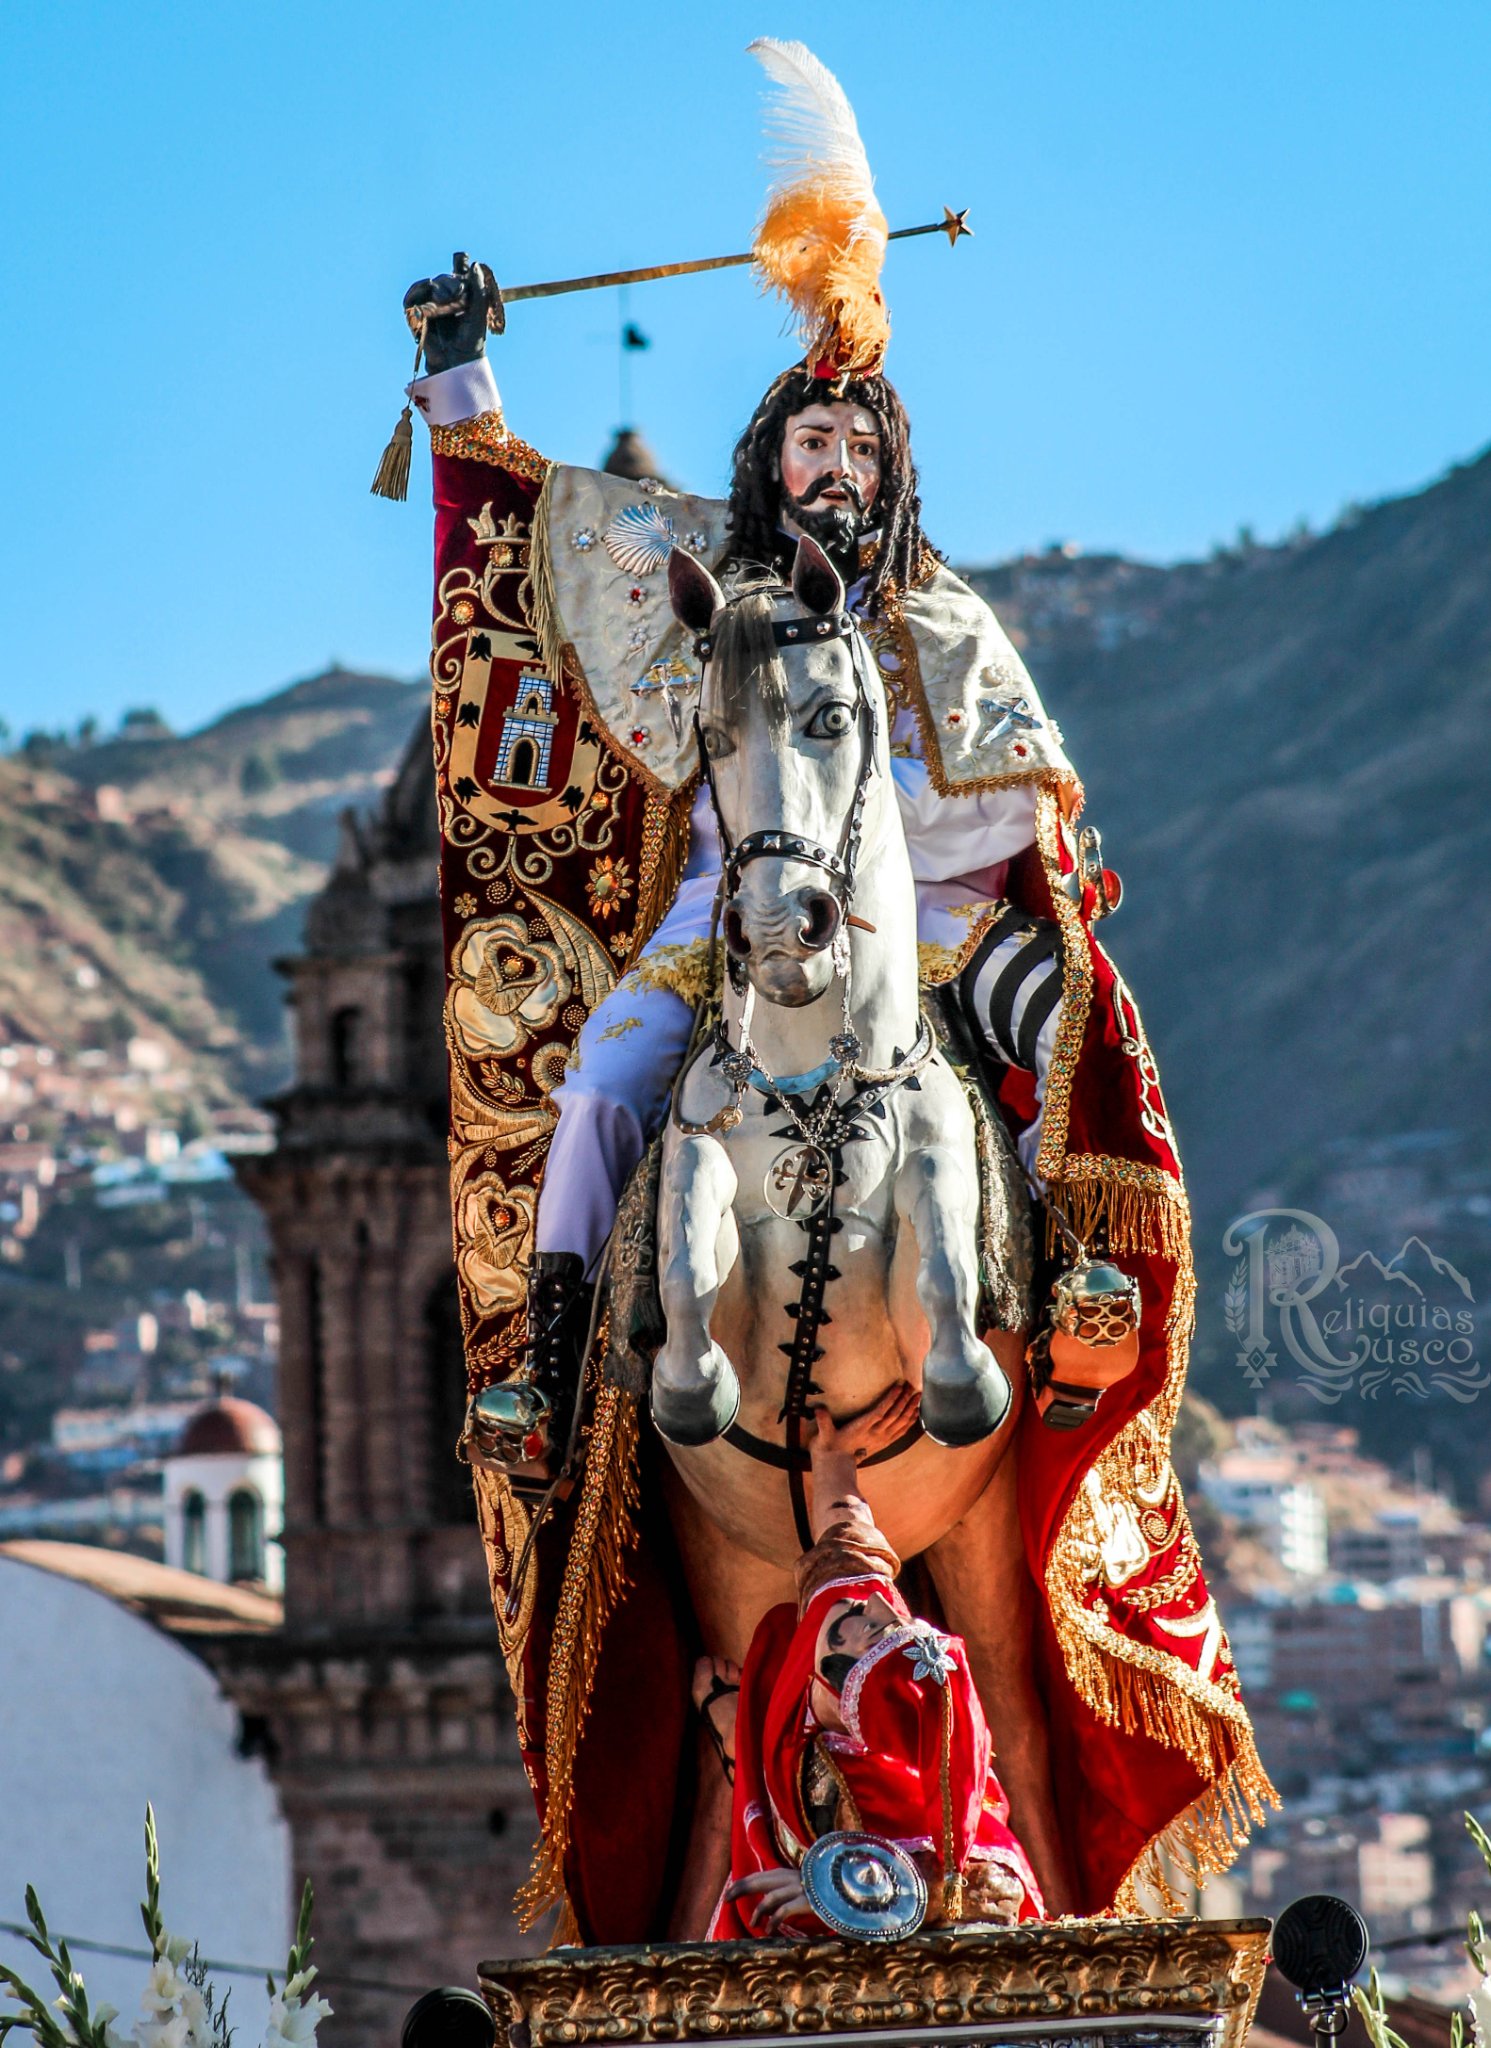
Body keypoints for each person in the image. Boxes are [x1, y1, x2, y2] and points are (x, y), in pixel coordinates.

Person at [697, 1386, 1044, 1938]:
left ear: (835, 1691)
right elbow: (845, 1551)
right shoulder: (841, 1649)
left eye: (857, 1629)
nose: (881, 1605)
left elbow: (993, 1892)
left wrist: (829, 1888)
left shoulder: (934, 1817)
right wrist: (834, 1461)